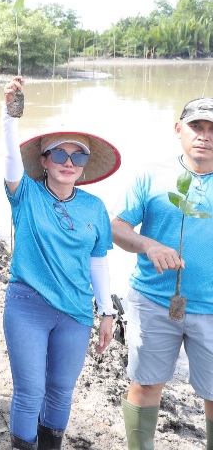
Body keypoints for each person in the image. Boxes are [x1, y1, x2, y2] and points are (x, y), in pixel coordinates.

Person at [0, 77, 117, 450]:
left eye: (78, 156)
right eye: (60, 155)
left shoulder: (94, 207)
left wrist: (107, 311)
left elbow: (98, 263)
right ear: (44, 161)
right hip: (27, 305)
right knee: (30, 390)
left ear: (85, 165)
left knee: (60, 392)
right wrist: (10, 112)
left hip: (76, 312)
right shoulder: (26, 193)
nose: (69, 162)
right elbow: (9, 158)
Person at [112, 97, 213, 450]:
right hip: (153, 301)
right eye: (197, 127)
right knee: (146, 384)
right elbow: (118, 226)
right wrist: (148, 246)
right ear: (178, 130)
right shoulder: (150, 174)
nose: (204, 136)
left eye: (212, 129)